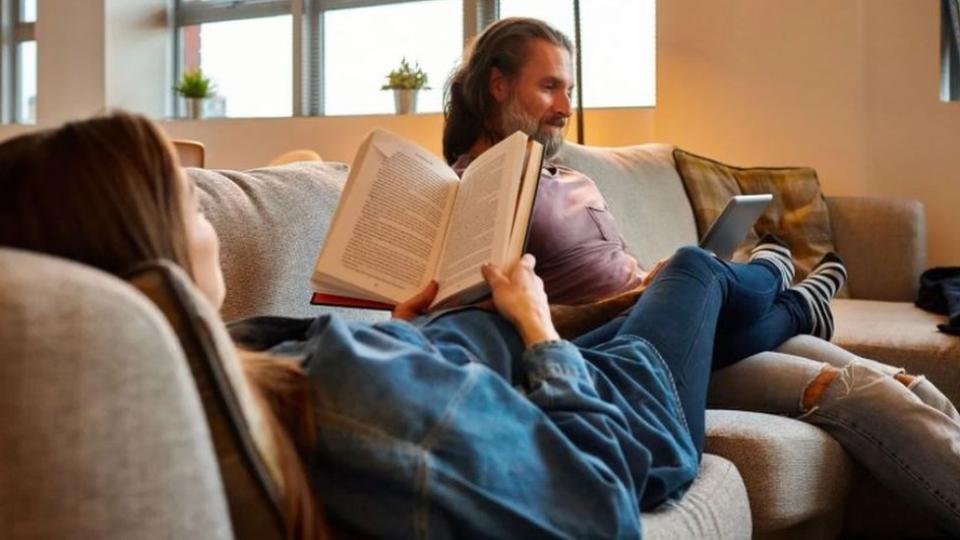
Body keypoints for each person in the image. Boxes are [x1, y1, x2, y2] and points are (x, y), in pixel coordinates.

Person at [0, 113, 832, 538]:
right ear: (151, 251)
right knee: (691, 271)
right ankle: (789, 287)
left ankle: (779, 289)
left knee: (657, 300)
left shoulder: (228, 361)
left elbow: (402, 396)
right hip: (617, 422)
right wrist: (540, 334)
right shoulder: (338, 393)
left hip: (518, 377)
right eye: (187, 200)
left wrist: (409, 331)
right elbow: (598, 507)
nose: (207, 212)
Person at [442, 16, 960, 534]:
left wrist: (656, 284)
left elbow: (616, 268)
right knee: (857, 390)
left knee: (900, 382)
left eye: (570, 89)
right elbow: (508, 325)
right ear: (498, 84)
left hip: (674, 314)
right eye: (549, 86)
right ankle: (784, 292)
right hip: (629, 347)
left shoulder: (570, 174)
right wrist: (639, 301)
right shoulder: (482, 188)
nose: (566, 107)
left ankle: (776, 295)